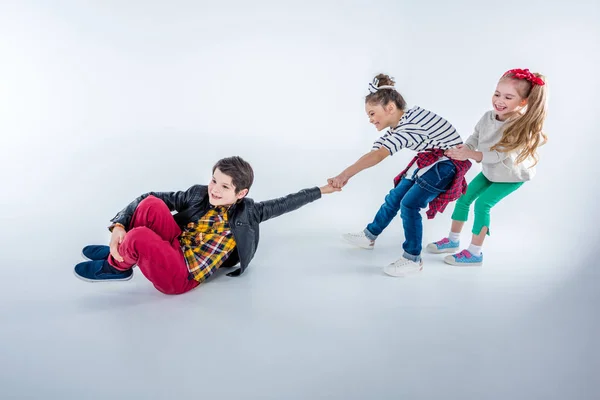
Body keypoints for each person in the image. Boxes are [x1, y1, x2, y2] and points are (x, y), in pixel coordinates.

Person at [74, 156, 339, 294]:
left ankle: (116, 266)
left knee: (139, 237)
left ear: (241, 193)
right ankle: (121, 253)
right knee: (151, 205)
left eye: (224, 187)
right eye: (214, 181)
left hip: (183, 275)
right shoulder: (199, 193)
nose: (214, 189)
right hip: (176, 244)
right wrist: (119, 225)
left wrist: (322, 190)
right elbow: (147, 198)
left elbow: (287, 202)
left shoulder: (250, 213)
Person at [329, 74, 471, 277]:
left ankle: (413, 258)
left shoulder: (410, 126)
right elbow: (374, 152)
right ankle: (369, 235)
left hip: (447, 165)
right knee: (396, 196)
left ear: (390, 108)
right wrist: (346, 173)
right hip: (431, 161)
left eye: (372, 113)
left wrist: (344, 175)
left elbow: (378, 155)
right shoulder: (402, 124)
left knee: (410, 204)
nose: (370, 120)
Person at [427, 68, 548, 266]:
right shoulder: (487, 117)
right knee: (463, 197)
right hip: (491, 171)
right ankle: (452, 241)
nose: (500, 101)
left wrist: (471, 154)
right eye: (497, 94)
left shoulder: (517, 125)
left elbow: (500, 155)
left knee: (483, 204)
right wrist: (464, 148)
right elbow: (475, 136)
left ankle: (475, 253)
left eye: (508, 97)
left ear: (523, 102)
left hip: (511, 175)